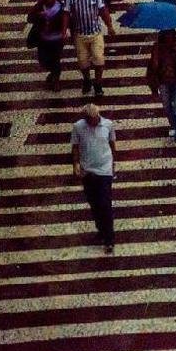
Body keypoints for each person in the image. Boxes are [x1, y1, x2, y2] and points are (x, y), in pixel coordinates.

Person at [71, 104, 116, 254]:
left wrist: (113, 164)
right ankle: (101, 230)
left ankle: (109, 239)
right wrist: (76, 164)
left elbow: (112, 145)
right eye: (91, 119)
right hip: (87, 171)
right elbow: (75, 147)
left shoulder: (108, 125)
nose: (94, 121)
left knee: (105, 204)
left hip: (104, 170)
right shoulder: (78, 127)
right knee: (94, 204)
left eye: (96, 118)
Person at [62, 0, 115, 97]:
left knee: (98, 58)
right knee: (82, 61)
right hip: (79, 34)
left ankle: (98, 83)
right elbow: (66, 14)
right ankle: (87, 79)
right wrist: (64, 31)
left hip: (95, 33)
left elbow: (103, 10)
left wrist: (109, 26)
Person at [146, 29, 176, 148]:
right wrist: (153, 88)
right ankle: (173, 125)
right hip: (163, 82)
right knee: (167, 107)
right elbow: (152, 68)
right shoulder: (157, 48)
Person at [27, 0, 65, 92]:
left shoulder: (61, 7)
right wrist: (39, 16)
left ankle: (56, 81)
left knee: (56, 59)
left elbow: (67, 19)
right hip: (43, 40)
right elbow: (29, 18)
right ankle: (52, 73)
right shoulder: (39, 6)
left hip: (57, 39)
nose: (49, 0)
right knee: (43, 60)